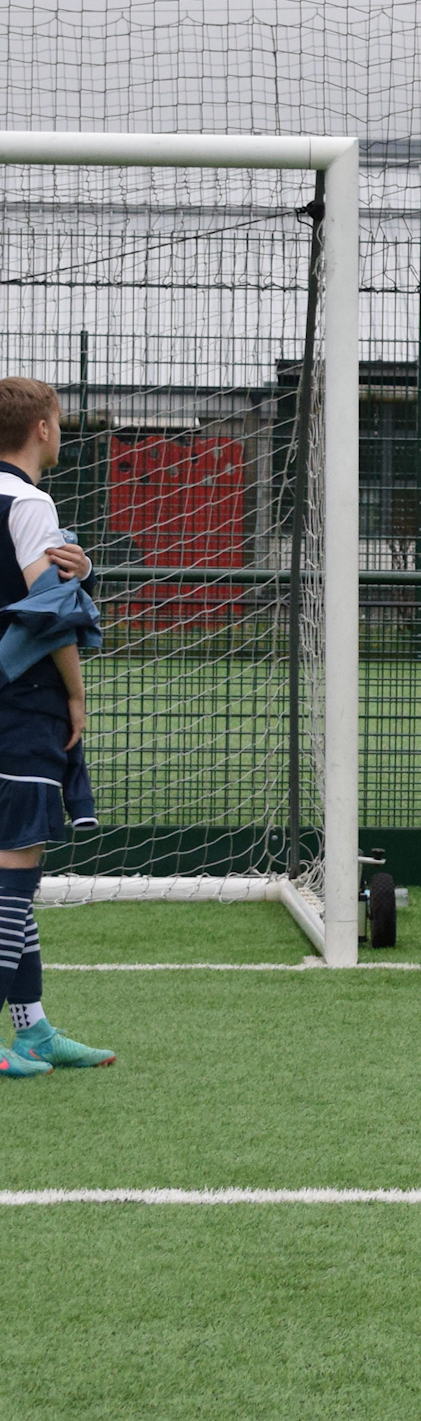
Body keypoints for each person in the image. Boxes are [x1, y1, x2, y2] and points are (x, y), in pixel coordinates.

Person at [0, 377, 109, 1075]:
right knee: (15, 869)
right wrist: (75, 696)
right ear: (42, 427)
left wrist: (84, 568)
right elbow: (51, 613)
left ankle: (31, 1028)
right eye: (60, 419)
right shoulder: (31, 503)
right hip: (23, 704)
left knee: (13, 864)